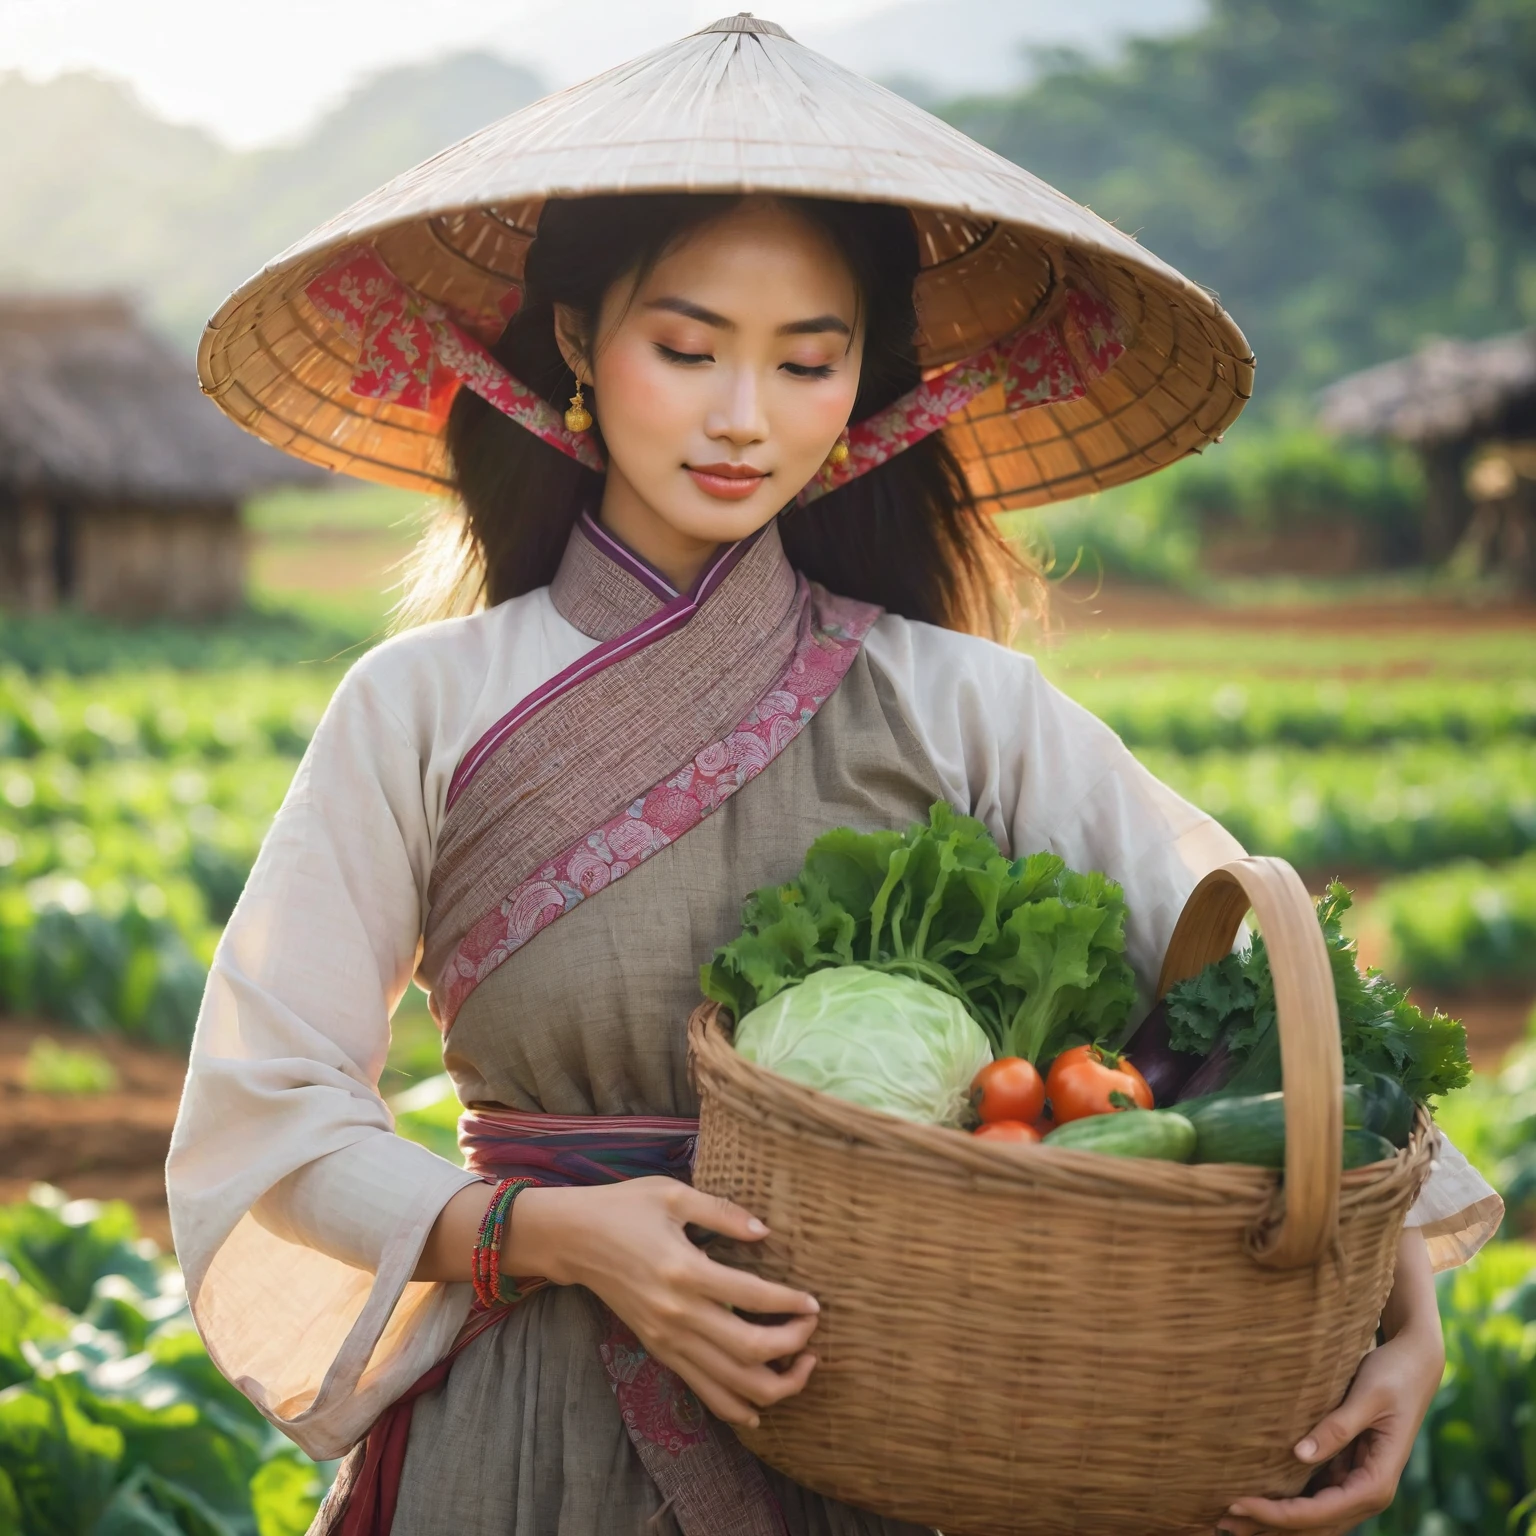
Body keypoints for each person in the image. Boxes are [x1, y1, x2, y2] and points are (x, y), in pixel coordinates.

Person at [170, 17, 1502, 1536]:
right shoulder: (419, 702)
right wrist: (556, 1236)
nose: (746, 418)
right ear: (573, 344)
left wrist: (1404, 1319)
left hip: (884, 1421)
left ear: (866, 384)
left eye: (811, 362)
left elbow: (1255, 1023)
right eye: (687, 349)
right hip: (519, 1441)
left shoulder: (965, 704)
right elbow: (271, 1112)